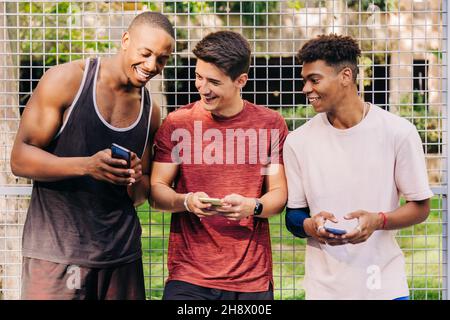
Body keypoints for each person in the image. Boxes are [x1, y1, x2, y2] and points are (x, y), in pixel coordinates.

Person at [10, 12, 174, 300]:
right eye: (145, 53)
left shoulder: (151, 112)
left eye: (161, 59)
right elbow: (20, 159)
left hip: (121, 256)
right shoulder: (68, 80)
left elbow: (138, 195)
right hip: (57, 254)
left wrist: (134, 176)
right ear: (126, 40)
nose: (151, 66)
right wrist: (87, 166)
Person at [284, 34, 433, 300]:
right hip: (323, 291)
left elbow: (421, 208)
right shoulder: (297, 141)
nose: (306, 88)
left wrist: (379, 220)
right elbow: (293, 216)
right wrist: (311, 225)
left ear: (345, 76)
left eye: (314, 80)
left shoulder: (398, 132)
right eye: (304, 80)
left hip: (385, 286)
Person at [150, 31, 288, 300]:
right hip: (188, 276)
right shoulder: (178, 123)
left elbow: (278, 193)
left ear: (241, 81)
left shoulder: (270, 125)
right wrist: (186, 201)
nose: (202, 87)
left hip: (251, 279)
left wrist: (253, 206)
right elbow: (156, 190)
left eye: (213, 81)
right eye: (199, 76)